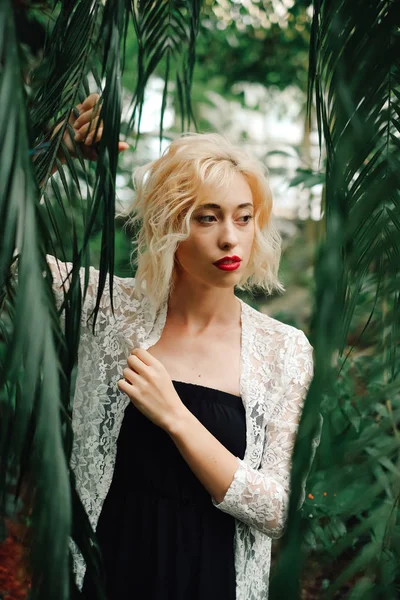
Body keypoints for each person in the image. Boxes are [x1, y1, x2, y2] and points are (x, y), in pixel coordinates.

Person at [47, 94, 317, 600]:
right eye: (207, 217)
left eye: (243, 217)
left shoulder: (283, 350)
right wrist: (57, 151)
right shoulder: (107, 307)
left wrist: (176, 416)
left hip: (209, 581)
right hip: (108, 575)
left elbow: (277, 508)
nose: (231, 239)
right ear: (168, 224)